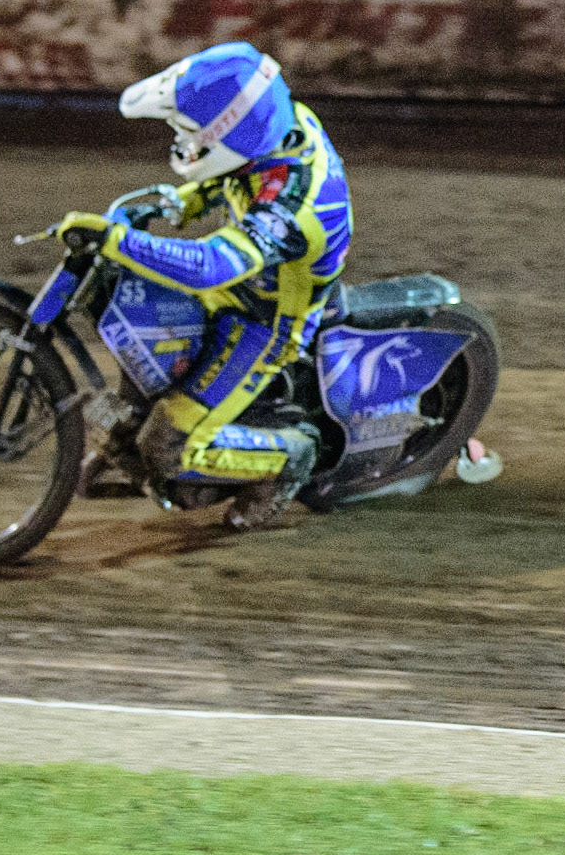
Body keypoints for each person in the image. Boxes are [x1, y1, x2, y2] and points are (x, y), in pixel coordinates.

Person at [56, 42, 354, 529]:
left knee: (166, 445)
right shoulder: (277, 126)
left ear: (232, 134)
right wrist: (183, 202)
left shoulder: (294, 208)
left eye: (192, 133)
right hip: (238, 287)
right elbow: (237, 174)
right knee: (141, 347)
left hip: (266, 323)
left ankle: (287, 460)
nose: (183, 141)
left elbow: (211, 265)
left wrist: (116, 240)